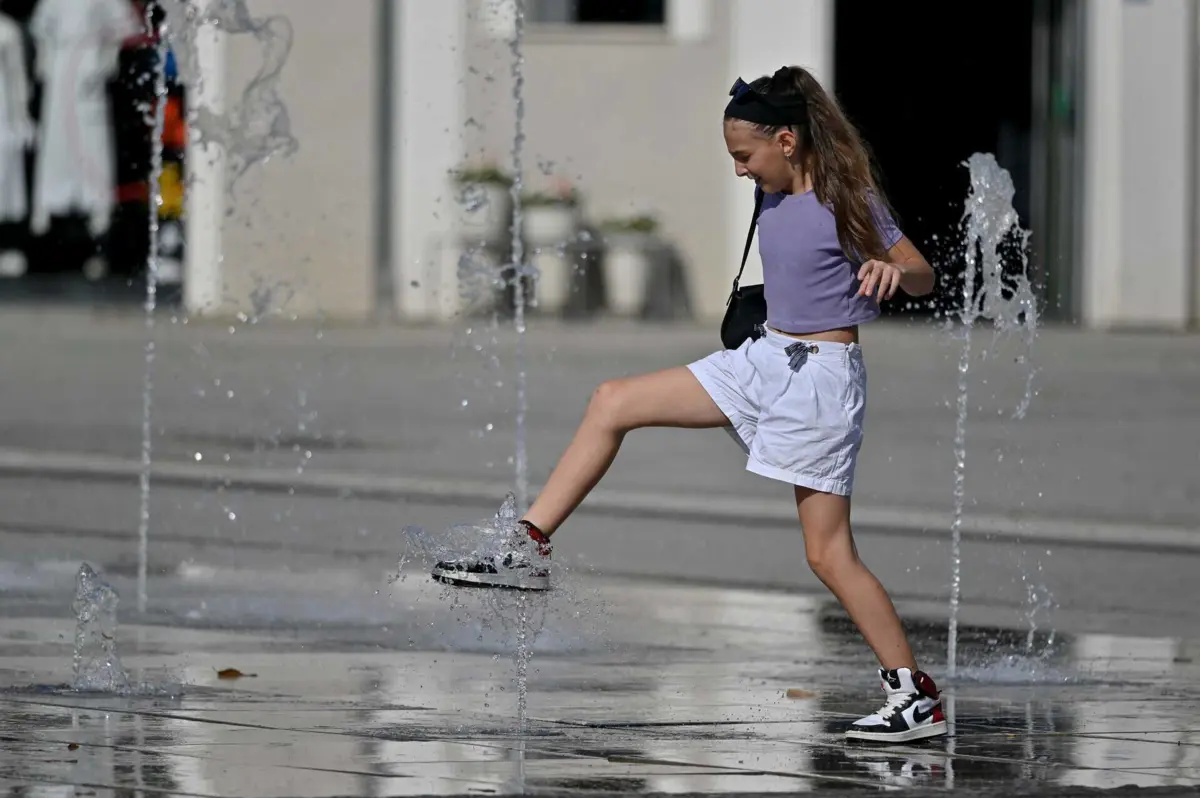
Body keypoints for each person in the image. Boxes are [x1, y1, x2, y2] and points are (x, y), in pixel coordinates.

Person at [431, 65, 945, 744]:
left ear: (787, 141)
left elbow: (921, 273)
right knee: (613, 401)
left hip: (819, 383)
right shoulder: (770, 189)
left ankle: (914, 697)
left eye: (745, 155)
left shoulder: (846, 197)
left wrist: (891, 269)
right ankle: (527, 547)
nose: (739, 169)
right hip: (761, 359)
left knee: (827, 554)